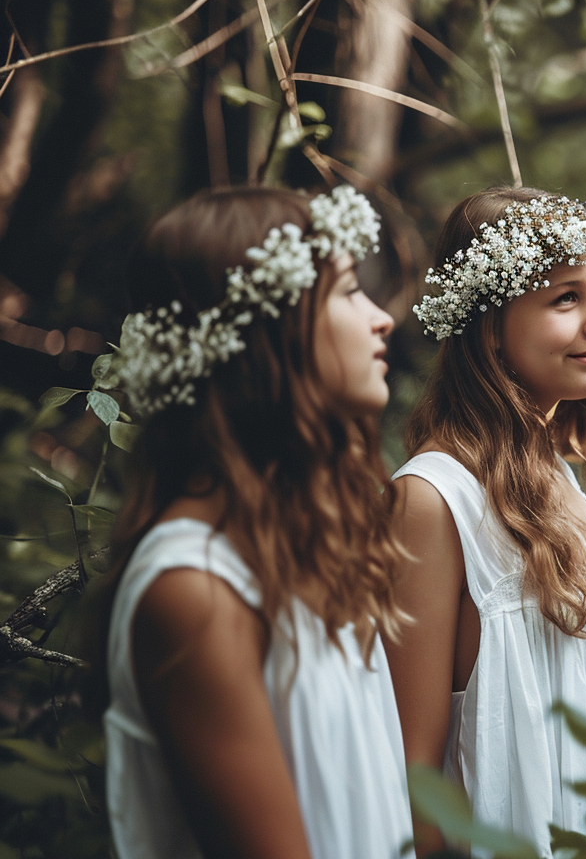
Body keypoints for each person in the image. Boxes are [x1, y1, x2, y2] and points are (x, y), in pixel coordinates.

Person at [101, 185, 414, 859]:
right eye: (348, 292)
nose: (380, 318)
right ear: (267, 331)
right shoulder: (195, 589)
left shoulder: (306, 546)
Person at [387, 187, 586, 857]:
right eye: (566, 298)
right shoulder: (432, 500)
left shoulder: (552, 473)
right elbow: (412, 773)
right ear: (488, 324)